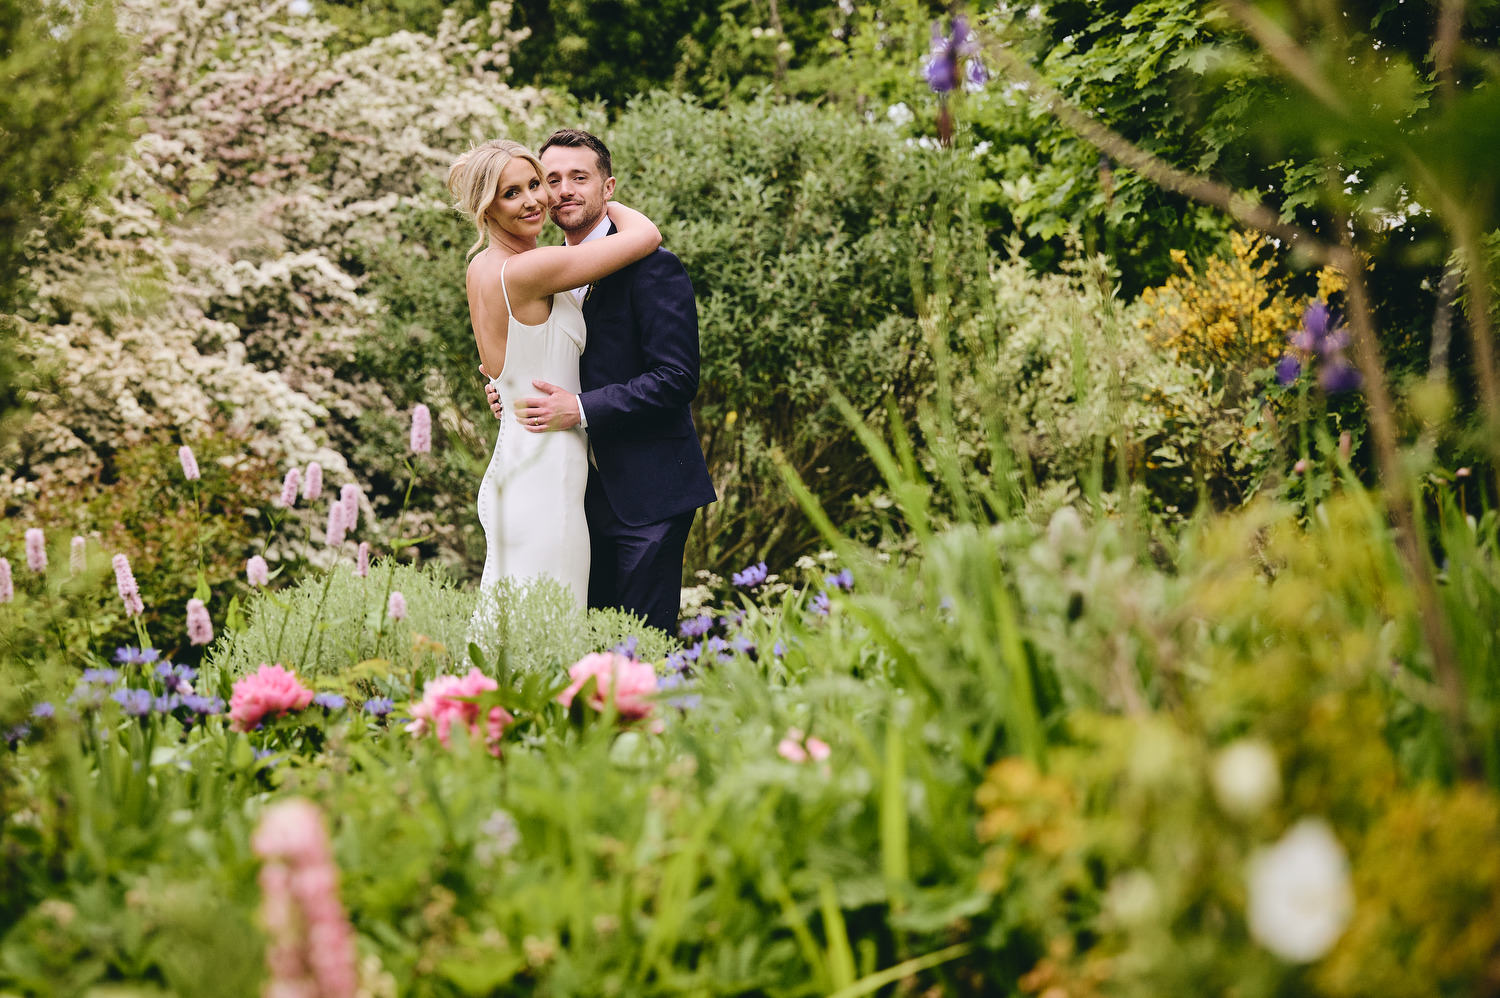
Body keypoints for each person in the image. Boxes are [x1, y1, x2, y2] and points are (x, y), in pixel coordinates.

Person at [486, 129, 716, 634]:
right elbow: (551, 356)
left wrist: (581, 408)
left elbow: (676, 378)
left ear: (607, 187)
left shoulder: (654, 269)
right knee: (579, 648)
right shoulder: (552, 272)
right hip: (570, 494)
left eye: (579, 177)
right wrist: (512, 389)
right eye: (552, 179)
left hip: (646, 495)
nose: (563, 189)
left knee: (638, 651)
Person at [448, 138, 662, 611]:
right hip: (547, 468)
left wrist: (502, 389)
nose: (535, 199)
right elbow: (646, 236)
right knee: (550, 622)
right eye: (511, 193)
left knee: (514, 620)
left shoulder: (480, 268)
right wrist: (600, 194)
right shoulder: (532, 268)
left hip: (517, 454)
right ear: (487, 208)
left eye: (535, 184)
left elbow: (504, 363)